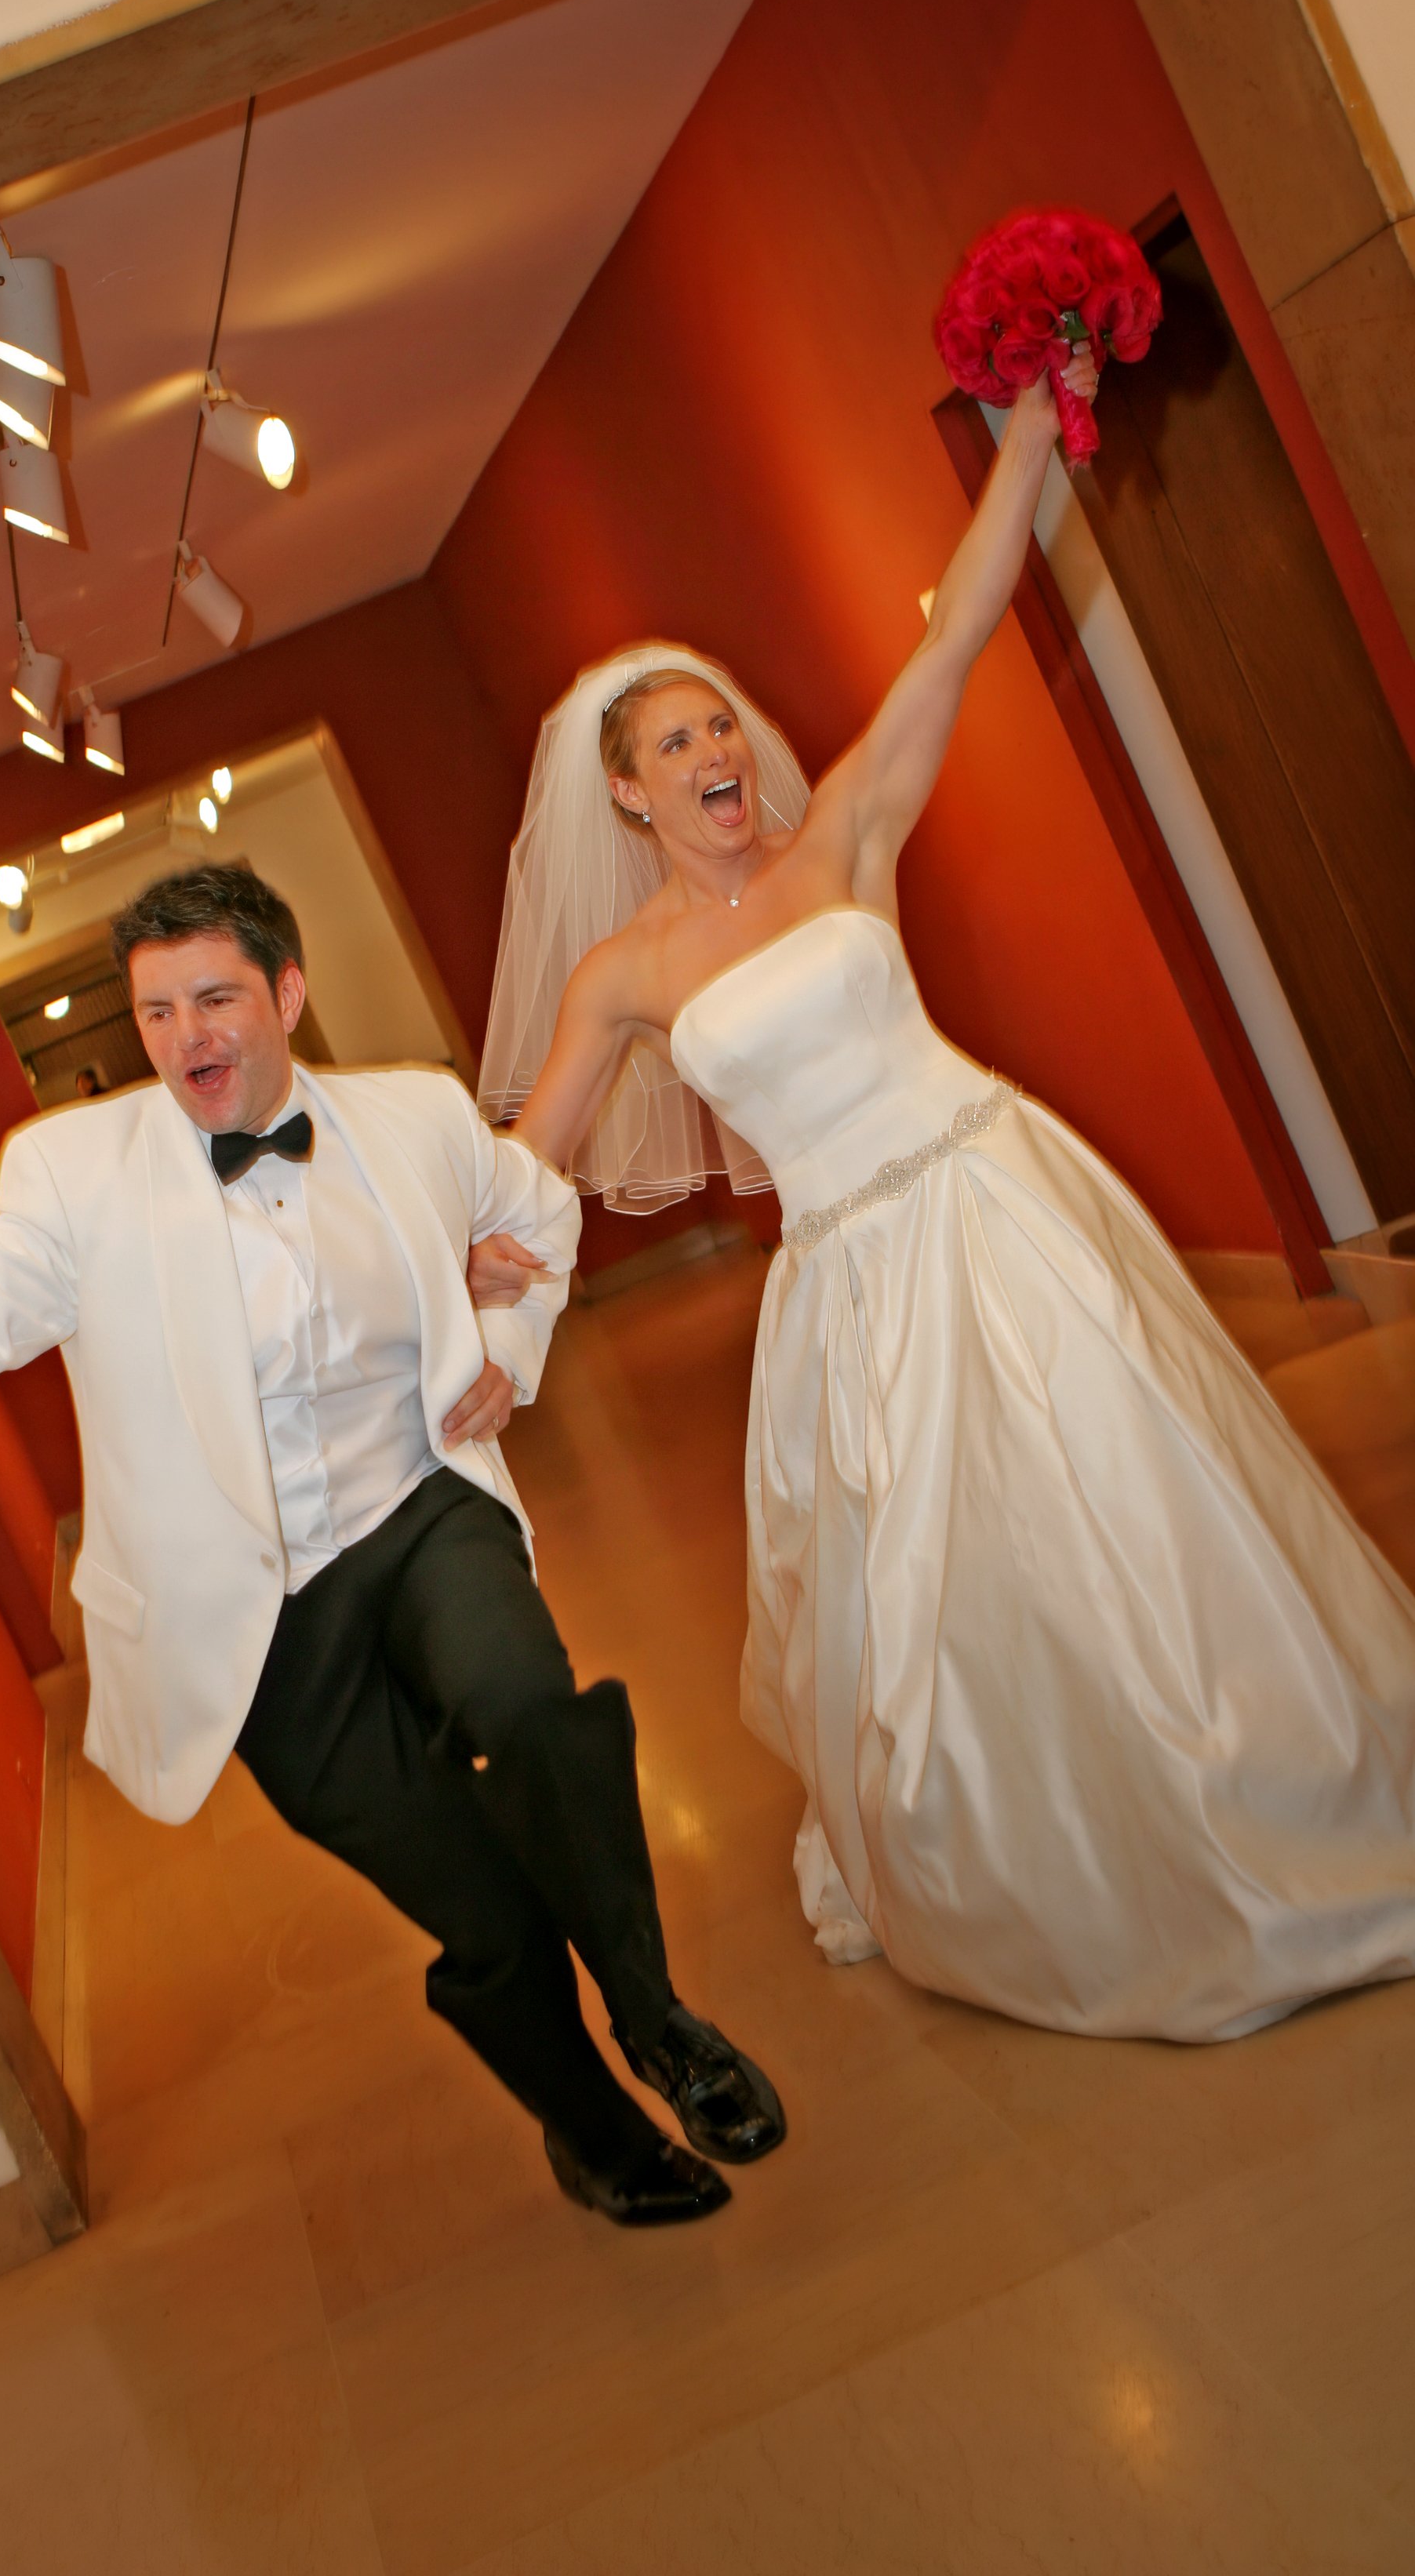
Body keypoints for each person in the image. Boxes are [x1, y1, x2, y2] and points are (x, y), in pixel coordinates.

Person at [471, 360, 1415, 2044]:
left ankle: (1264, 1772)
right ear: (625, 794)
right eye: (673, 742)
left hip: (997, 1198)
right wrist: (468, 1292)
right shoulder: (623, 970)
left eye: (716, 724)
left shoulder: (843, 832)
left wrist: (1032, 432)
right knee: (945, 1583)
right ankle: (1059, 1837)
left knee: (1132, 1495)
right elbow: (535, 1151)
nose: (714, 752)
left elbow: (961, 630)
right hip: (852, 1280)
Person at [0, 863, 784, 2224]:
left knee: (528, 1706)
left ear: (288, 992)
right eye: (157, 1011)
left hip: (416, 1504)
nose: (186, 1038)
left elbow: (546, 1216)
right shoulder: (74, 1170)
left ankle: (654, 2021)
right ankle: (597, 2138)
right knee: (480, 1909)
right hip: (255, 1614)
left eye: (215, 997)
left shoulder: (411, 1114)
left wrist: (510, 1353)